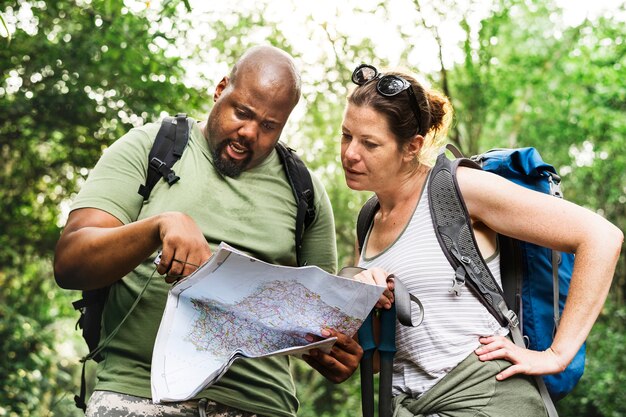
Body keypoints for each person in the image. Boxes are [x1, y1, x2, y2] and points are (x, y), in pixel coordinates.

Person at [53, 45, 363, 417]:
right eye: (242, 113)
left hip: (261, 404)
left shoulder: (305, 192)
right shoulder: (151, 147)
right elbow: (70, 262)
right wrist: (159, 226)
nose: (249, 132)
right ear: (220, 90)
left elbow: (316, 322)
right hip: (139, 394)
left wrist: (333, 352)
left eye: (268, 126)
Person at [340, 63, 623, 416]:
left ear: (411, 147)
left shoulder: (458, 189)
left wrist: (557, 355)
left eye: (369, 143)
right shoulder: (368, 219)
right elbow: (389, 355)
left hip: (486, 397)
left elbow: (601, 236)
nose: (351, 153)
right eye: (346, 135)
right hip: (407, 404)